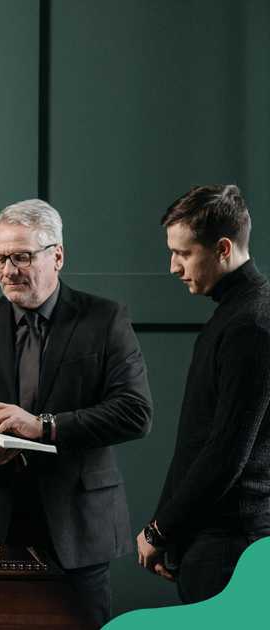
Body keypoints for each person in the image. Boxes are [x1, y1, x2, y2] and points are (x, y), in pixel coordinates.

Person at [0, 199, 152, 627]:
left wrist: (44, 426)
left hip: (78, 528)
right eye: (0, 259)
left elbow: (134, 412)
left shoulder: (105, 319)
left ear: (58, 255)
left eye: (22, 257)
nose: (9, 270)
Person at [137, 185, 270, 603]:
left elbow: (227, 453)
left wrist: (161, 529)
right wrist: (169, 531)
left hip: (232, 546)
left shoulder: (250, 325)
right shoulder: (234, 315)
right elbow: (196, 442)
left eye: (184, 253)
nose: (174, 267)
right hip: (210, 539)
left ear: (224, 248)